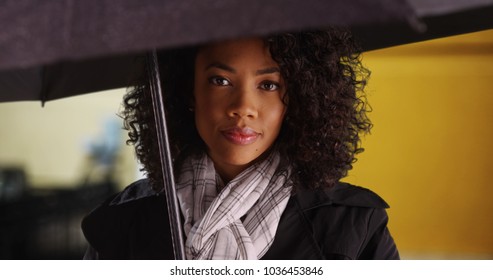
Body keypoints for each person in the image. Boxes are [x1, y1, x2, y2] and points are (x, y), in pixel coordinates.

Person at [81, 28, 399, 260]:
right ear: (189, 91)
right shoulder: (120, 224)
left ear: (300, 98)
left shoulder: (354, 227)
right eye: (221, 80)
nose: (243, 106)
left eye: (268, 84)